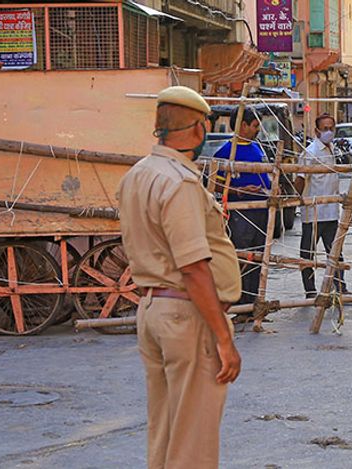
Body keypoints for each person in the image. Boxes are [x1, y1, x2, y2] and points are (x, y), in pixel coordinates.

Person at [117, 86, 241, 469]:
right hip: (186, 315)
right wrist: (223, 338)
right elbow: (193, 267)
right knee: (193, 442)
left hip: (153, 308)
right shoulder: (179, 182)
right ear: (199, 129)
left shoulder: (139, 174)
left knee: (167, 429)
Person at [213, 108, 271, 305]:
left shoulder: (258, 148)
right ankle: (239, 303)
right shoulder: (225, 152)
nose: (257, 130)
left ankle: (254, 302)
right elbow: (216, 188)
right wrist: (239, 190)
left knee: (258, 257)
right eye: (255, 126)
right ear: (242, 125)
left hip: (261, 211)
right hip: (240, 215)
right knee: (242, 257)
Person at [294, 113, 348, 297]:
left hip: (331, 211)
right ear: (317, 131)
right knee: (307, 253)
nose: (329, 132)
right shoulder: (310, 152)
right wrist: (296, 199)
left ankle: (340, 286)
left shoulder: (332, 149)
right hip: (314, 212)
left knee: (335, 251)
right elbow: (300, 179)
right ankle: (310, 291)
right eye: (325, 129)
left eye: (331, 128)